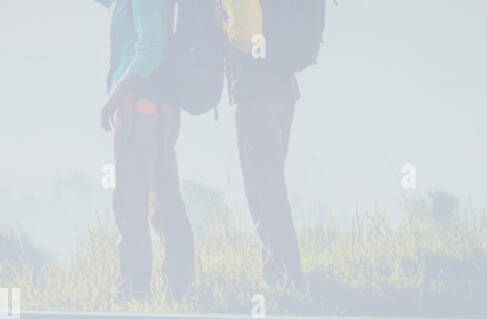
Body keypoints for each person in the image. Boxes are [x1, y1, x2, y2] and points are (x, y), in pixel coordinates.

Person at [221, 0, 324, 290]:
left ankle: (289, 279)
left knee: (264, 189)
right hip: (283, 89)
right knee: (271, 185)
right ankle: (275, 271)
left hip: (256, 94)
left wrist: (224, 22)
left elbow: (247, 38)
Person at [99, 0, 197, 300]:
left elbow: (150, 50)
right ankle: (179, 289)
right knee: (164, 202)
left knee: (132, 204)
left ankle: (134, 289)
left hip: (141, 116)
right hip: (155, 115)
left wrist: (114, 98)